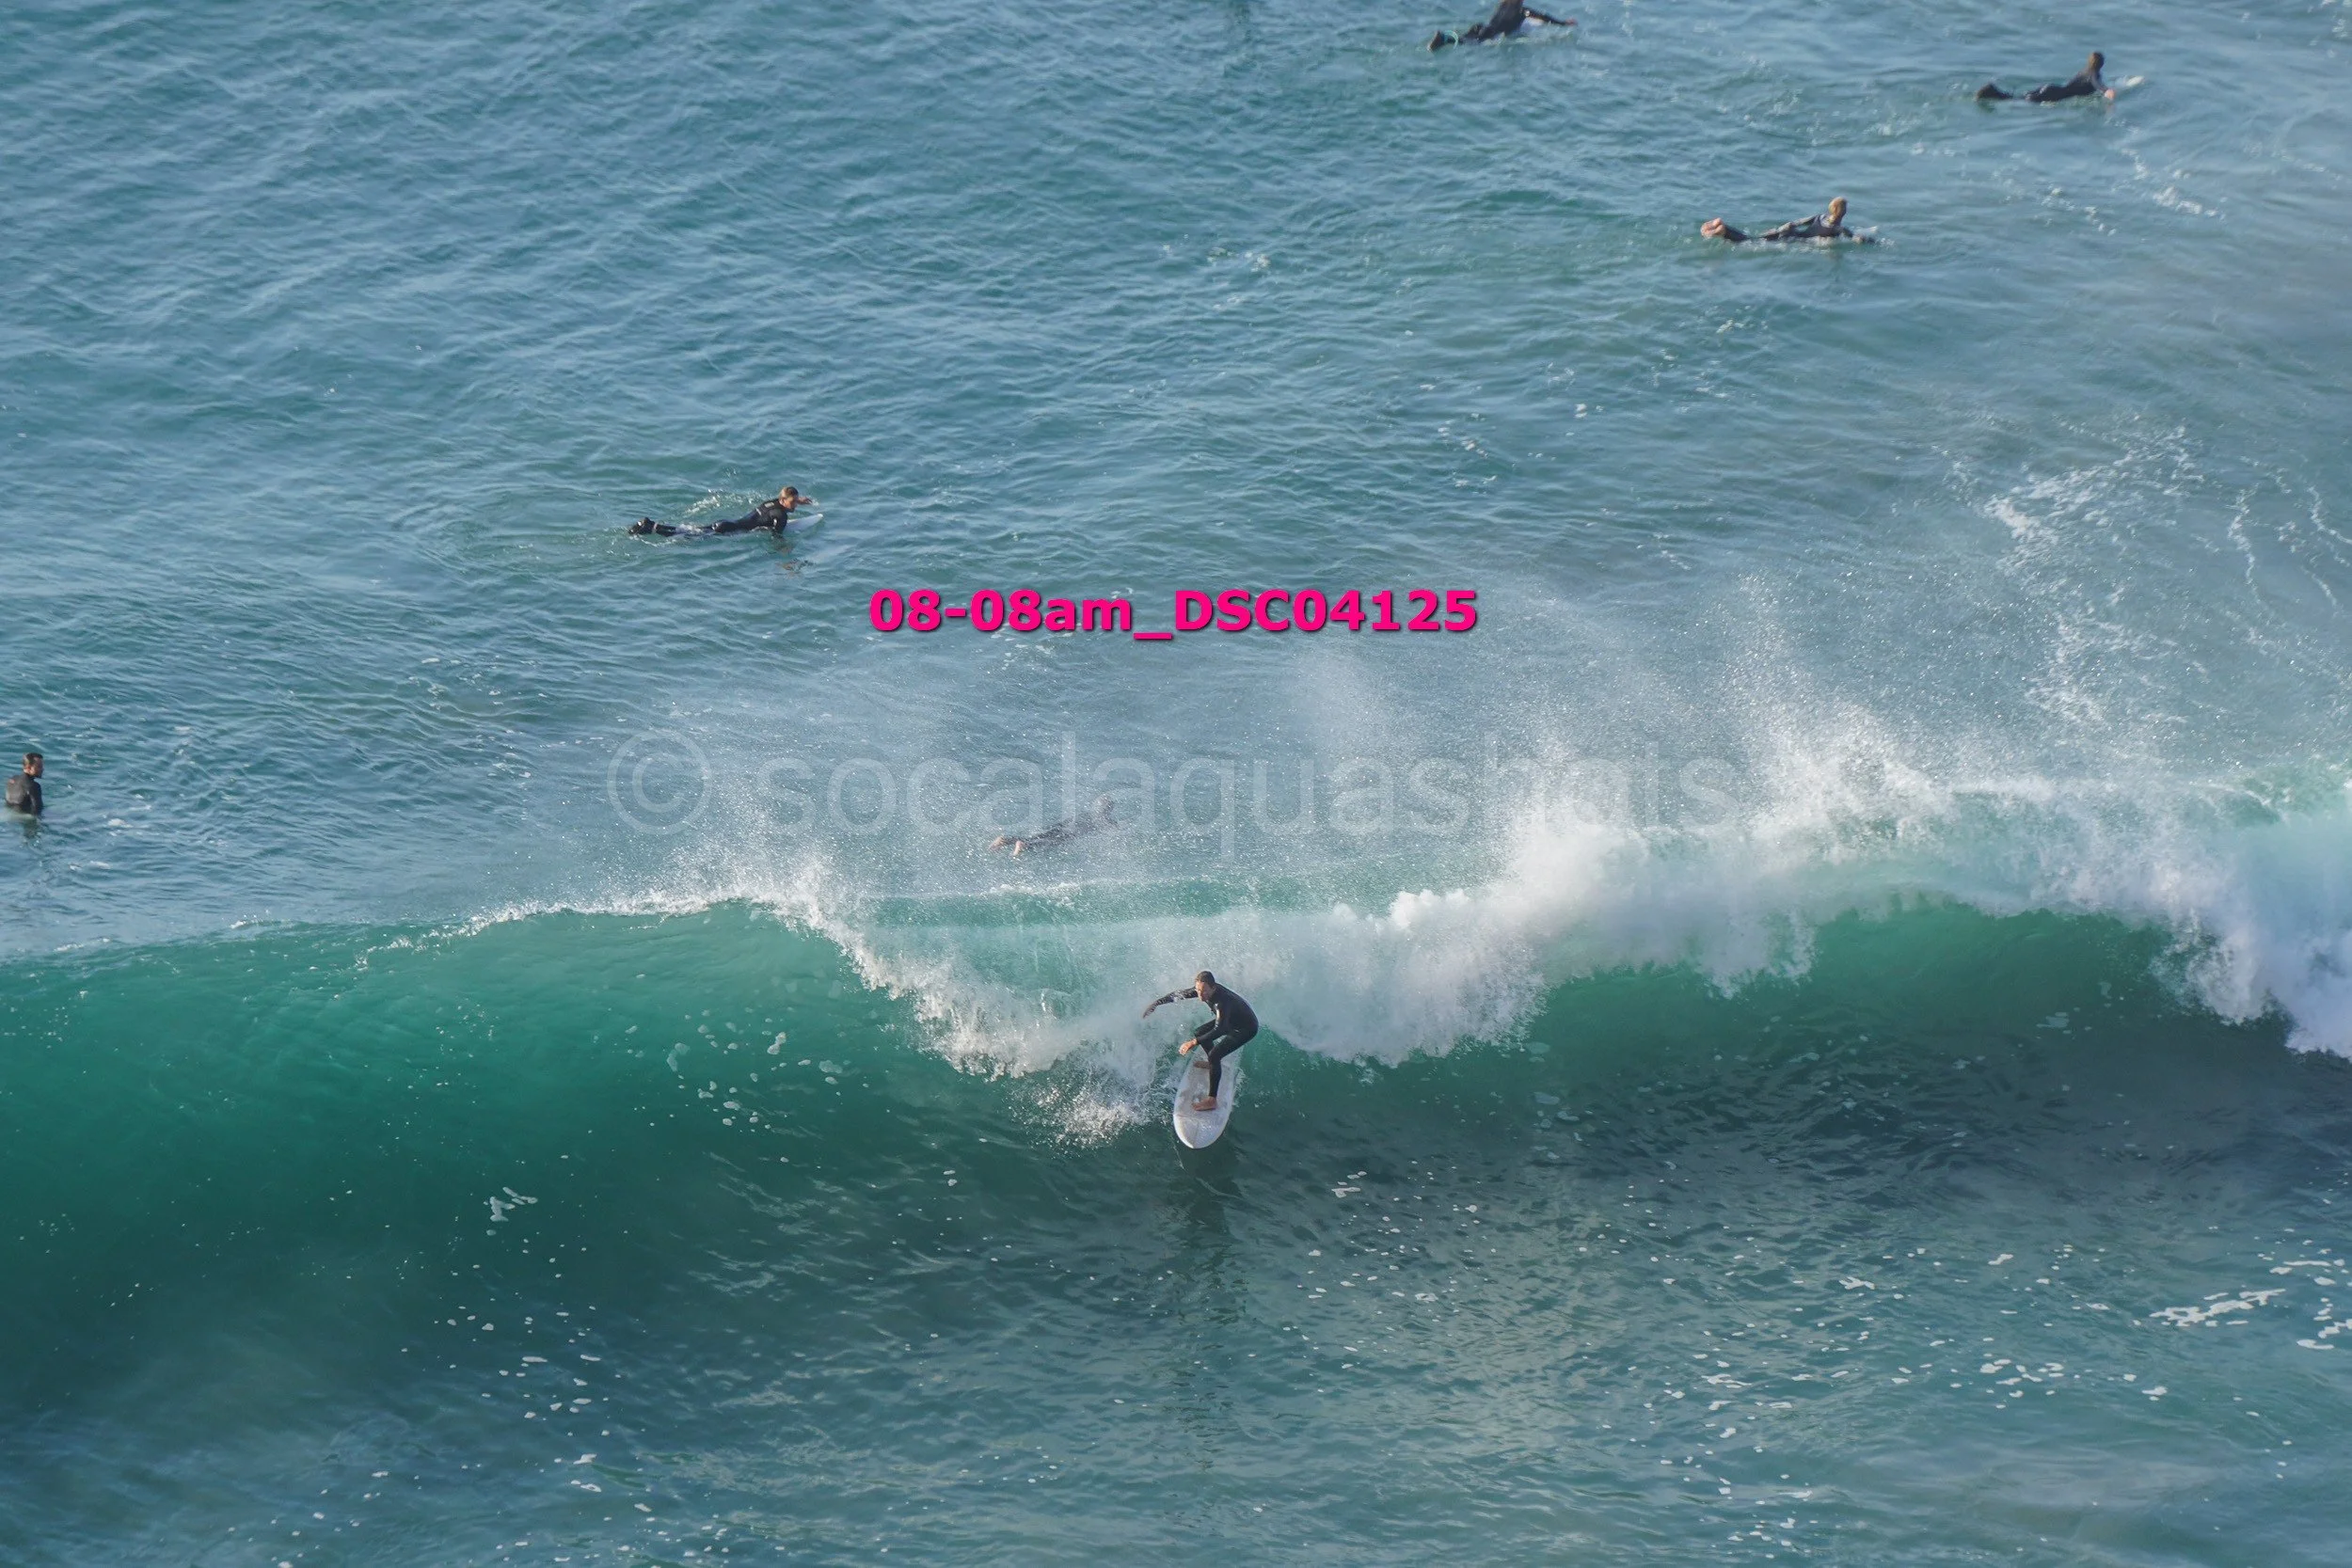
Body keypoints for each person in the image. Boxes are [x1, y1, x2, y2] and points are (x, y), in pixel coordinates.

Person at [1144, 970, 1259, 1112]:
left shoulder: (1222, 1002)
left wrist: (1193, 1042)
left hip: (1245, 1028)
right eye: (1198, 990)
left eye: (1204, 992)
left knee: (1214, 1054)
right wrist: (1156, 1003)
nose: (1200, 995)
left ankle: (1212, 1100)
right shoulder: (1203, 990)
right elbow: (1179, 994)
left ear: (1213, 987)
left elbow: (1220, 1029)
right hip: (1230, 1021)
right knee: (1199, 1033)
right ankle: (1213, 1065)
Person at [629, 486, 813, 538]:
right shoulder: (781, 516)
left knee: (687, 531)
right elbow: (777, 536)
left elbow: (779, 506)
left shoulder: (771, 503)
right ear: (784, 501)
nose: (795, 504)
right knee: (684, 536)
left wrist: (799, 500)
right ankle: (651, 528)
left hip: (726, 522)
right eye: (793, 501)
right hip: (728, 530)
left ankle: (650, 526)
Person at [1701, 197, 1874, 245]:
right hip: (1792, 239)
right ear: (1842, 212)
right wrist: (1872, 241)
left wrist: (1783, 228)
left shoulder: (1820, 217)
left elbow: (1797, 223)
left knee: (1753, 238)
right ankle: (1722, 230)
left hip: (1787, 231)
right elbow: (1854, 238)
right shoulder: (1837, 229)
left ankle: (1720, 226)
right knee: (1750, 242)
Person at [988, 797, 1118, 857]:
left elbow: (1065, 822)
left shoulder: (1084, 814)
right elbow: (1113, 829)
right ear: (1108, 810)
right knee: (1046, 843)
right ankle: (1022, 845)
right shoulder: (1103, 820)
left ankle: (1004, 840)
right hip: (1069, 834)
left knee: (1035, 837)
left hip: (1058, 827)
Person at [1429, 0, 1572, 50]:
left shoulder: (1503, 4)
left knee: (1466, 37)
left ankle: (1442, 39)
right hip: (1491, 33)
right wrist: (1563, 23)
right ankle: (1444, 39)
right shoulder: (1523, 11)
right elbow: (1544, 17)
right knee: (1470, 43)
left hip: (1482, 26)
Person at [1976, 52, 2111, 103]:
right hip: (2053, 94)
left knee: (2020, 97)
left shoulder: (2083, 71)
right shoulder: (2094, 74)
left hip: (2051, 88)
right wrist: (2107, 91)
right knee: (2017, 100)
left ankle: (1992, 91)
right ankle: (1991, 92)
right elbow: (2097, 84)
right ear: (2102, 64)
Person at [5, 752, 42, 816]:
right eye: (39, 766)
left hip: (8, 815)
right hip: (24, 817)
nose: (42, 769)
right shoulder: (34, 786)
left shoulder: (12, 780)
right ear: (29, 768)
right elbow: (37, 810)